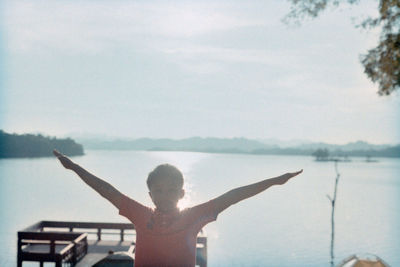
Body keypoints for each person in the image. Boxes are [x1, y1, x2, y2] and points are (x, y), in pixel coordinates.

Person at [53, 149, 302, 267]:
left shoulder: (194, 217)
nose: (165, 196)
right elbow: (106, 190)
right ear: (150, 194)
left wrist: (274, 181)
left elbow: (234, 195)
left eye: (172, 190)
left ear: (182, 193)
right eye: (159, 191)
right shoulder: (140, 215)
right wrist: (74, 167)